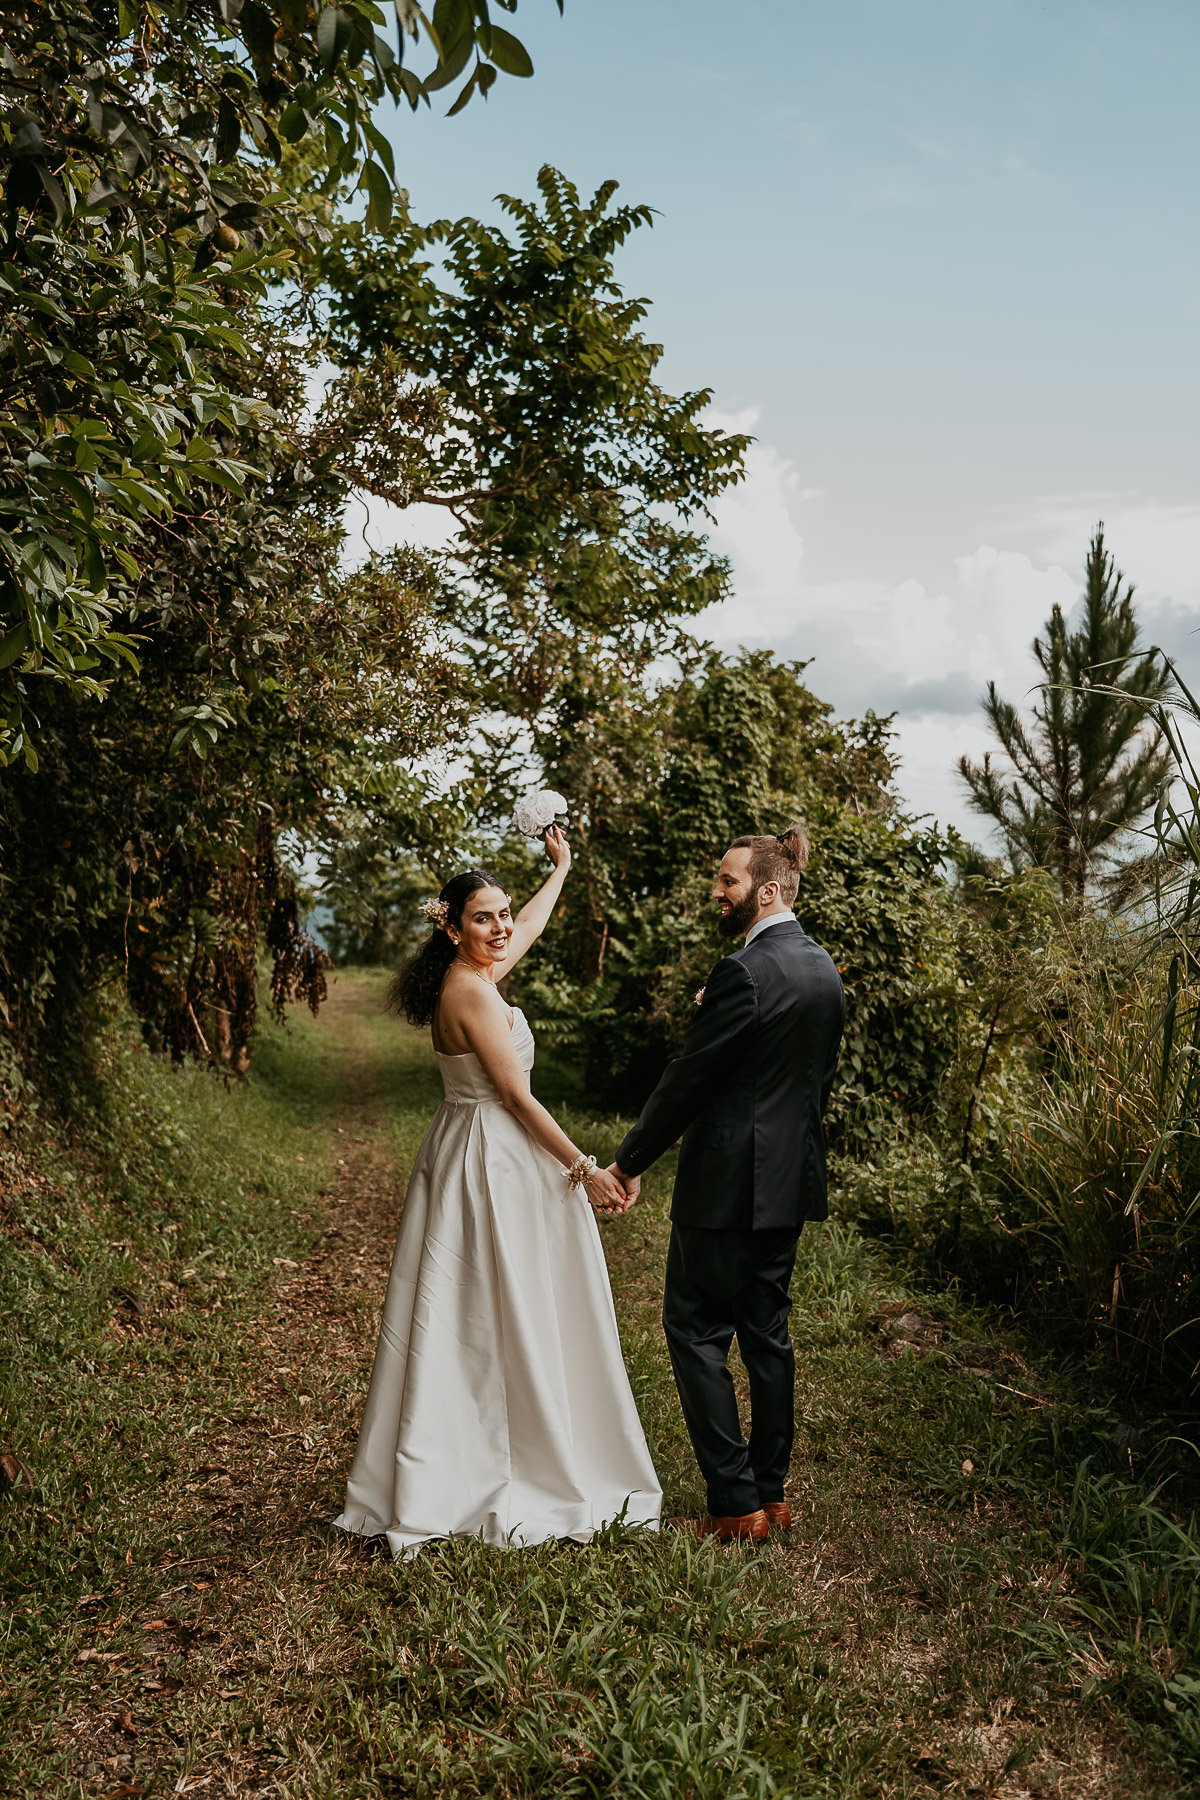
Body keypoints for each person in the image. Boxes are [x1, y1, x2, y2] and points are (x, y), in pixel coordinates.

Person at [332, 827, 662, 1557]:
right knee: (492, 1303)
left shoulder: (474, 974)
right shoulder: (472, 995)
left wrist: (564, 868)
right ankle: (495, 1460)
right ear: (451, 927)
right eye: (484, 918)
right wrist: (587, 1170)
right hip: (492, 1156)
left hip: (466, 1147)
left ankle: (490, 1443)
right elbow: (516, 1098)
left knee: (480, 1302)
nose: (502, 927)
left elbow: (532, 926)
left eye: (503, 914)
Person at [603, 825, 844, 1545]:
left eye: (729, 881)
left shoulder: (743, 973)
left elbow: (688, 1080)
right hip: (788, 1183)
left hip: (725, 1186)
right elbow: (813, 1084)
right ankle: (772, 1496)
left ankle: (733, 1505)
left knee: (695, 1332)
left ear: (767, 890)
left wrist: (627, 1162)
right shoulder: (824, 969)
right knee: (767, 1335)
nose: (718, 890)